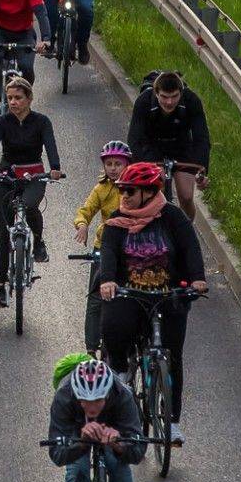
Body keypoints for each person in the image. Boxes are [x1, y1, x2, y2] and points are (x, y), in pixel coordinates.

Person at [97, 162, 208, 445]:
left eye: (130, 191)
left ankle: (171, 423)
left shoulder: (172, 217)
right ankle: (120, 372)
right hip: (130, 294)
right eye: (122, 190)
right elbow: (108, 250)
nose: (124, 196)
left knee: (172, 357)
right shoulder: (117, 220)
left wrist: (196, 279)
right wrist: (109, 280)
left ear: (149, 191)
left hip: (167, 295)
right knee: (113, 325)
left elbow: (190, 247)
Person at [0, 76, 63, 306]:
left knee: (29, 205)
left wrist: (55, 168)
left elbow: (50, 145)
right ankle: (0, 288)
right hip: (7, 175)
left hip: (33, 175)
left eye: (18, 98)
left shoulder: (42, 122)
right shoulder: (2, 122)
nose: (13, 102)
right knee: (3, 233)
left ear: (29, 98)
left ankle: (38, 240)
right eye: (10, 98)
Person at [73, 140, 135, 352]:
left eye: (118, 164)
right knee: (96, 299)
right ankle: (91, 348)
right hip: (104, 247)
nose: (113, 168)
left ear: (128, 164)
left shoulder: (136, 189)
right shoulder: (101, 189)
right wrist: (82, 225)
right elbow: (86, 210)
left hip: (131, 248)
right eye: (109, 164)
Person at [126, 71, 212, 220]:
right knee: (156, 188)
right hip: (152, 146)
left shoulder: (192, 101)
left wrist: (201, 170)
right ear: (156, 93)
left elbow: (202, 139)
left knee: (185, 196)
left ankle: (186, 234)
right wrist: (142, 167)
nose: (169, 102)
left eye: (174, 97)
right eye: (164, 97)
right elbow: (134, 139)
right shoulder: (144, 102)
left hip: (181, 146)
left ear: (181, 93)